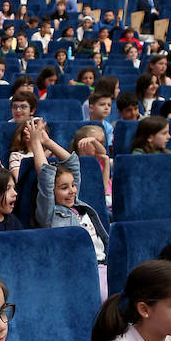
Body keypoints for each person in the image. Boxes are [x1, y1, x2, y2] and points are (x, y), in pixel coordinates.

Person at [31, 124, 108, 297]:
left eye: (73, 185)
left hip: (102, 265)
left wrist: (48, 141)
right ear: (52, 192)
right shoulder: (49, 213)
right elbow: (46, 177)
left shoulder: (78, 205)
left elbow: (73, 163)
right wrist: (36, 143)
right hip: (77, 269)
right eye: (64, 188)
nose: (72, 190)